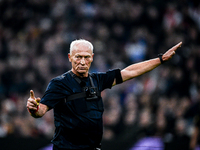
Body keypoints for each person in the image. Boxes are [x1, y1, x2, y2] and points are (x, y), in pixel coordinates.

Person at [26, 39, 182, 150]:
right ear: (69, 57)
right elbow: (41, 110)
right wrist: (34, 109)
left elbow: (129, 71)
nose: (82, 62)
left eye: (86, 57)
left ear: (92, 58)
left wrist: (160, 59)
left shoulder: (97, 80)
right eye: (78, 57)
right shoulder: (59, 83)